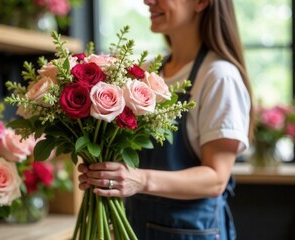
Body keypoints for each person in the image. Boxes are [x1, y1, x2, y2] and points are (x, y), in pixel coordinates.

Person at [78, 0, 253, 239]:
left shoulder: (219, 77)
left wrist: (139, 180)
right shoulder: (149, 72)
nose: (148, 1)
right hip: (136, 226)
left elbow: (216, 179)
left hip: (191, 232)